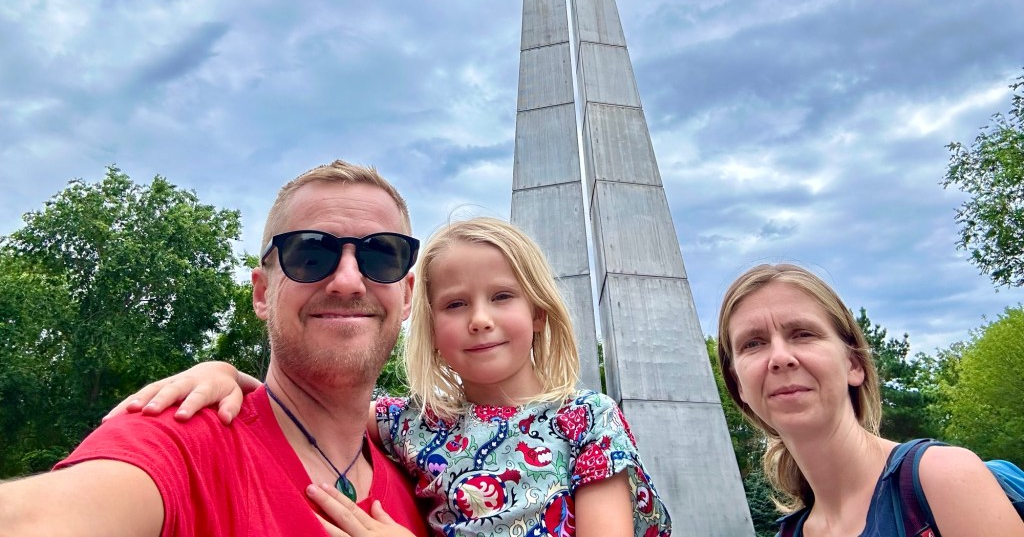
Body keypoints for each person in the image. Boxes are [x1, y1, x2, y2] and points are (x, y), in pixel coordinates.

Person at [111, 217, 673, 537]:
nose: (480, 319)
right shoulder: (412, 423)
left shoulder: (587, 420)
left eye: (502, 297)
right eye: (455, 304)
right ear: (430, 327)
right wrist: (224, 374)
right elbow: (299, 409)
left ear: (540, 314)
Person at [0, 160, 430, 537]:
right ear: (262, 294)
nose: (349, 281)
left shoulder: (429, 482)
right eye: (311, 254)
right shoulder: (182, 442)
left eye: (382, 256)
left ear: (407, 295)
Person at [716, 263, 1024, 537]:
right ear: (739, 385)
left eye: (803, 334)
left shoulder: (945, 477)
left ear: (853, 365)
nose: (780, 358)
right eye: (753, 343)